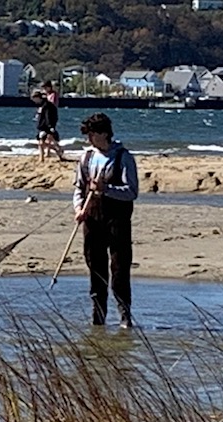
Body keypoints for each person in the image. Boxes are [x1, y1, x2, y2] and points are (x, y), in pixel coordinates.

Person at [73, 113, 139, 328]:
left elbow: (131, 192)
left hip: (117, 221)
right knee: (95, 268)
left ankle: (124, 315)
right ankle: (98, 316)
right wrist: (78, 208)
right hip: (92, 219)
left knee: (119, 268)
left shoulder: (123, 157)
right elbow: (78, 188)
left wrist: (106, 189)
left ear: (103, 133)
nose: (89, 140)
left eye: (92, 135)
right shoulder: (86, 158)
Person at [31, 90, 64, 162]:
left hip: (46, 127)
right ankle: (57, 151)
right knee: (43, 143)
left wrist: (50, 126)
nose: (34, 101)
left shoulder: (46, 105)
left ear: (37, 98)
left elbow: (48, 116)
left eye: (34, 99)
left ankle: (42, 157)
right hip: (43, 126)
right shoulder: (42, 105)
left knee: (42, 143)